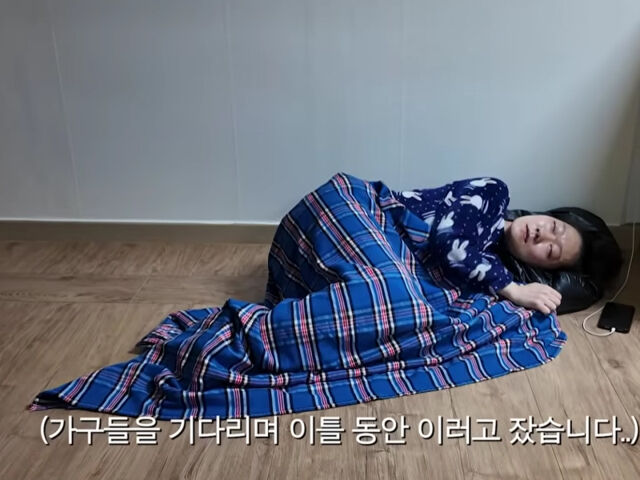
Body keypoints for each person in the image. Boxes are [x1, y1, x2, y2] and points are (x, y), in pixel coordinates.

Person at [392, 176, 624, 315]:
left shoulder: (491, 268)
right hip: (381, 218)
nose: (541, 234)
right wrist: (514, 290)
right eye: (554, 226)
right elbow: (451, 246)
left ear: (542, 268)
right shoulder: (493, 193)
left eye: (550, 251)